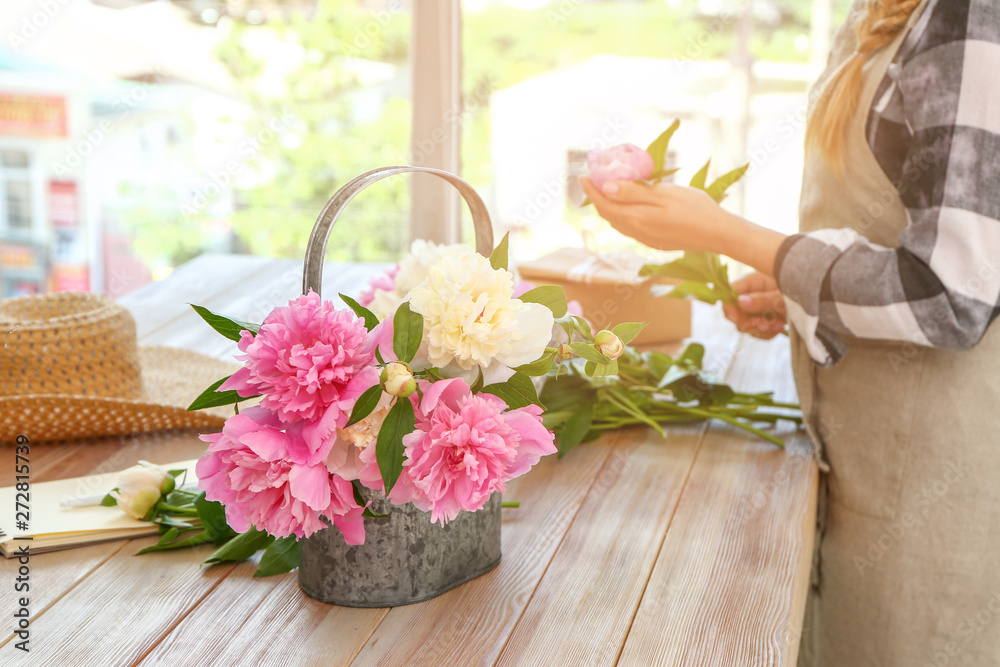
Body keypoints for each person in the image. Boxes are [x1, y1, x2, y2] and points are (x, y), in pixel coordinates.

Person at [581, 0, 1000, 665]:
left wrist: (729, 235)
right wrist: (804, 294)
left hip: (932, 495)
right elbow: (895, 239)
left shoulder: (970, 16)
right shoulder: (883, 12)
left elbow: (953, 292)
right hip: (861, 467)